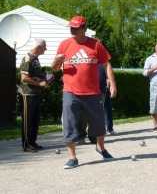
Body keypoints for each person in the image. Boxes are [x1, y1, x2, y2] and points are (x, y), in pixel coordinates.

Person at [51, 16, 117, 169]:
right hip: (70, 91)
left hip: (92, 92)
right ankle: (72, 157)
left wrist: (112, 84)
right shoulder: (64, 45)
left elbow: (106, 64)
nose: (72, 31)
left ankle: (100, 148)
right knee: (69, 123)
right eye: (71, 28)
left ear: (84, 29)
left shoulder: (96, 45)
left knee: (99, 123)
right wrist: (57, 61)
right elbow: (54, 68)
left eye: (76, 28)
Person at [18, 38, 48, 152]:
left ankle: (32, 142)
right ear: (39, 47)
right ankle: (26, 145)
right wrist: (39, 83)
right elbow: (24, 78)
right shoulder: (28, 58)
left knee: (35, 120)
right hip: (27, 94)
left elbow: (34, 75)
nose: (46, 49)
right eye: (45, 47)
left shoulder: (35, 59)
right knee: (28, 120)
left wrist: (44, 81)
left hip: (35, 93)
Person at [77, 64, 116, 145]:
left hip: (99, 89)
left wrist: (111, 82)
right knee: (83, 114)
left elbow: (108, 67)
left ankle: (93, 136)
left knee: (96, 114)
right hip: (83, 88)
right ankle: (81, 135)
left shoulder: (102, 55)